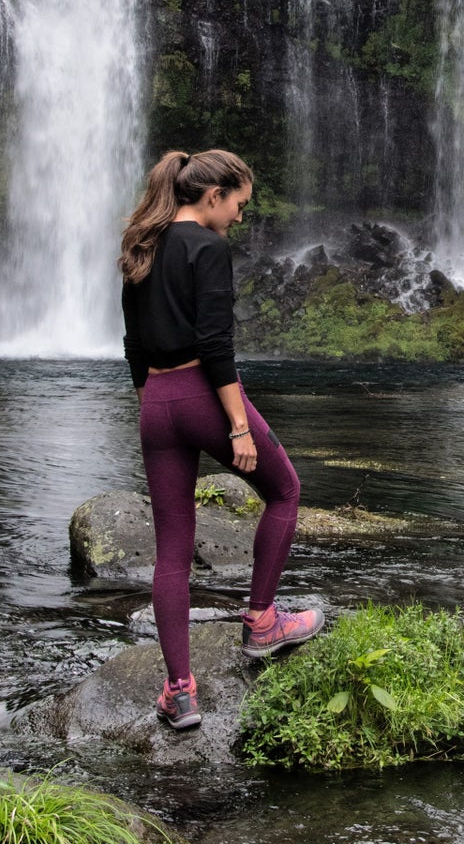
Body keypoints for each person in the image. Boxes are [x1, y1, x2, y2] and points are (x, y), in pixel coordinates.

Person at [119, 148, 324, 730]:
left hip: (155, 404)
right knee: (285, 490)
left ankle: (180, 692)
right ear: (213, 196)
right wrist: (237, 425)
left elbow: (133, 345)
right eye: (238, 204)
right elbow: (215, 346)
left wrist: (155, 411)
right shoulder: (207, 249)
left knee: (171, 553)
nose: (239, 216)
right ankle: (262, 621)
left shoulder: (142, 246)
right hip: (201, 396)